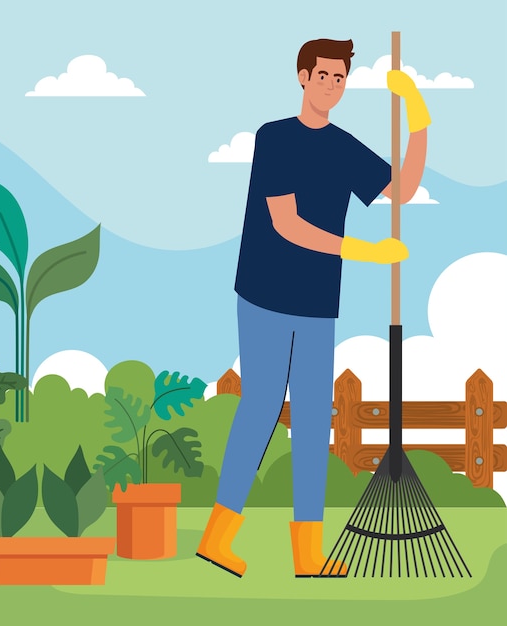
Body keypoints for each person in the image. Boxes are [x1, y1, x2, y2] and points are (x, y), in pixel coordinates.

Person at [196, 38, 430, 578]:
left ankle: (307, 553)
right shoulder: (274, 138)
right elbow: (287, 223)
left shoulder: (346, 149)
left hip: (318, 303)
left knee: (312, 421)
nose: (331, 84)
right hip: (264, 294)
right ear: (303, 76)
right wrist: (362, 250)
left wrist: (418, 114)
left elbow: (406, 187)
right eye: (322, 74)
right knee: (259, 408)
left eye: (340, 78)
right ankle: (217, 536)